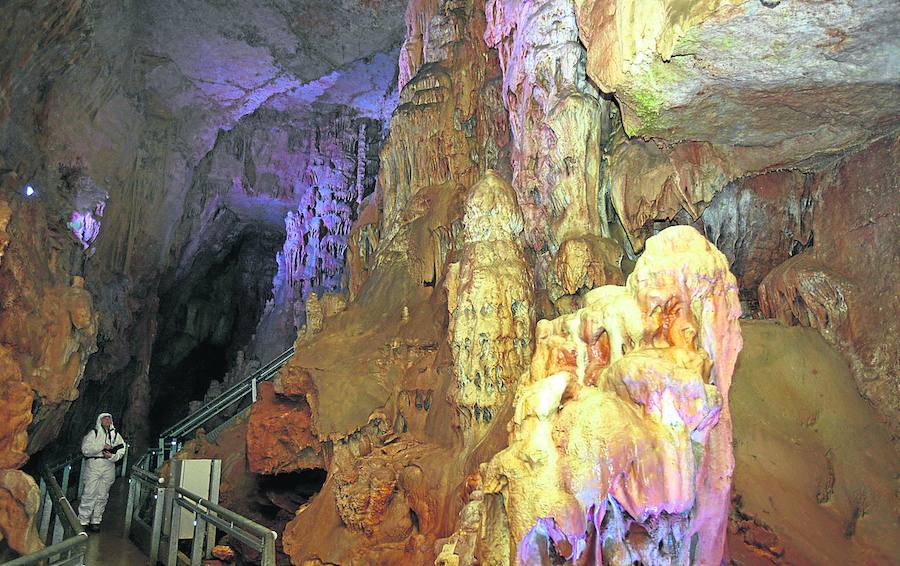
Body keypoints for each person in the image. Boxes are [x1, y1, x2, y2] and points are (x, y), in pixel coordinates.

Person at [77, 412, 126, 532]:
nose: (108, 420)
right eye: (105, 418)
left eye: (109, 418)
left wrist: (112, 456)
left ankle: (96, 520)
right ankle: (83, 520)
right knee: (89, 493)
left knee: (103, 495)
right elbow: (86, 450)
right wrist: (101, 446)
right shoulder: (93, 433)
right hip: (94, 464)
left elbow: (121, 449)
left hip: (109, 465)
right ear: (100, 420)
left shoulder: (115, 435)